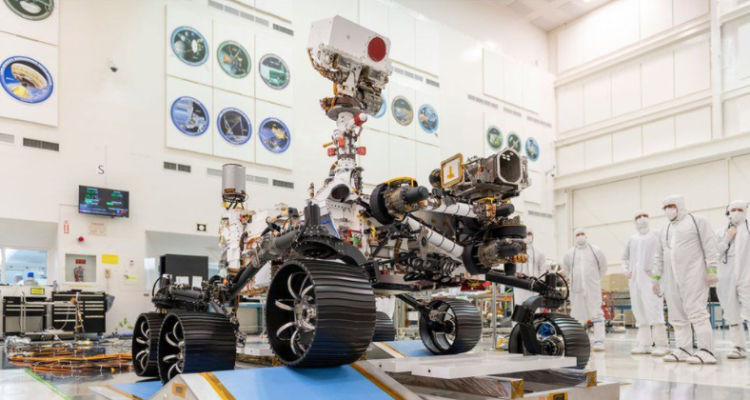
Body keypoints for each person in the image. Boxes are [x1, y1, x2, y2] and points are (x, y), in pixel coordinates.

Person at [652, 194, 720, 364]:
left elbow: (710, 245)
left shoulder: (697, 221)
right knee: (677, 315)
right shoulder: (665, 229)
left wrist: (712, 269)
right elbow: (658, 256)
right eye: (665, 207)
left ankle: (707, 351)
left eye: (671, 206)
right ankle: (683, 349)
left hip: (694, 274)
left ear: (680, 205)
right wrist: (656, 278)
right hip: (671, 278)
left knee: (697, 312)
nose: (668, 210)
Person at [622, 211, 670, 356]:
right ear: (634, 221)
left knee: (655, 311)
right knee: (639, 312)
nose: (642, 219)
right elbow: (624, 258)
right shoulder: (632, 239)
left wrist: (657, 272)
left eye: (644, 216)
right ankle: (644, 344)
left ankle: (662, 345)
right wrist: (626, 270)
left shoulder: (656, 234)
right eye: (638, 217)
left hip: (651, 280)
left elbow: (665, 253)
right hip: (634, 281)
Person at [715, 200, 750, 359]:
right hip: (726, 277)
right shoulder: (721, 232)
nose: (736, 212)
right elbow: (714, 254)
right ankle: (738, 347)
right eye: (733, 209)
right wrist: (727, 239)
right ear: (728, 212)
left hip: (746, 276)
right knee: (730, 312)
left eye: (740, 209)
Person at [563, 228, 608, 352]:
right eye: (578, 234)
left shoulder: (596, 250)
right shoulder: (570, 254)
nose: (580, 236)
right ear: (575, 237)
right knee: (577, 314)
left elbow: (603, 267)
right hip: (576, 289)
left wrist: (593, 279)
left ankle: (599, 340)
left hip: (592, 288)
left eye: (582, 234)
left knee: (596, 312)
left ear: (586, 236)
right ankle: (580, 340)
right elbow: (566, 270)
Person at [514, 229, 547, 307]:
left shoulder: (539, 253)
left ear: (533, 236)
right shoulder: (515, 253)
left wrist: (539, 284)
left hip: (534, 287)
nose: (527, 236)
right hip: (519, 287)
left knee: (534, 308)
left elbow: (542, 270)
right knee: (520, 308)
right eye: (525, 234)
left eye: (529, 234)